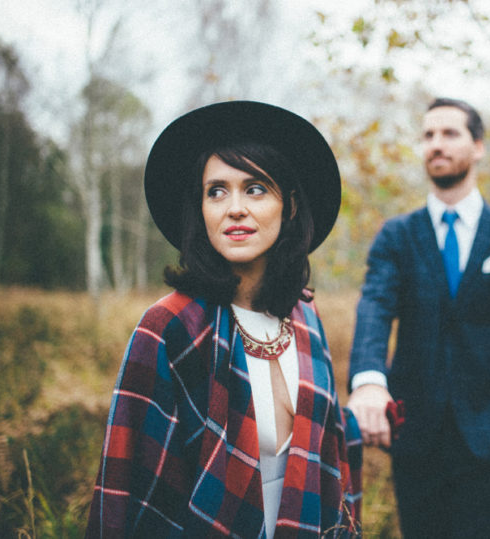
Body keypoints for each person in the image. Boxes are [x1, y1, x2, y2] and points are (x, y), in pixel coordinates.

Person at [86, 101, 361, 538]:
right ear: (201, 210)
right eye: (216, 191)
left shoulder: (306, 317)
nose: (234, 208)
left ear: (288, 206)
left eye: (255, 189)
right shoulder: (168, 326)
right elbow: (130, 484)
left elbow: (328, 445)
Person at [347, 97, 490, 538]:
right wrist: (368, 379)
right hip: (416, 439)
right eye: (427, 136)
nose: (435, 144)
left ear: (478, 146)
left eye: (449, 133)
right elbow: (375, 307)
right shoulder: (397, 237)